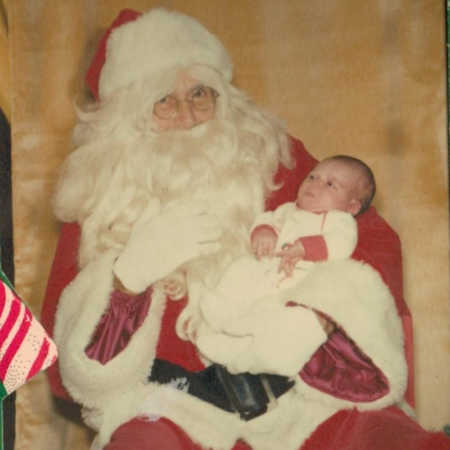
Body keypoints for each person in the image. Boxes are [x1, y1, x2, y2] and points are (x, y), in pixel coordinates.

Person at [40, 7, 450, 450]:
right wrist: (128, 277)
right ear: (130, 116)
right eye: (164, 100)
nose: (189, 115)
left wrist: (318, 318)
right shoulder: (97, 197)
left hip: (302, 402)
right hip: (168, 408)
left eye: (201, 93)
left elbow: (372, 238)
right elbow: (69, 373)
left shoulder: (268, 155)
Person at [194, 155, 376, 368]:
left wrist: (305, 248)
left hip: (296, 281)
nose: (314, 184)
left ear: (351, 207)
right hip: (265, 269)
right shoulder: (288, 209)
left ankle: (249, 349)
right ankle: (220, 312)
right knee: (241, 268)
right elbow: (267, 219)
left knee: (283, 318)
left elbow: (341, 243)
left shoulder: (340, 220)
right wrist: (264, 232)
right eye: (312, 176)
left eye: (329, 184)